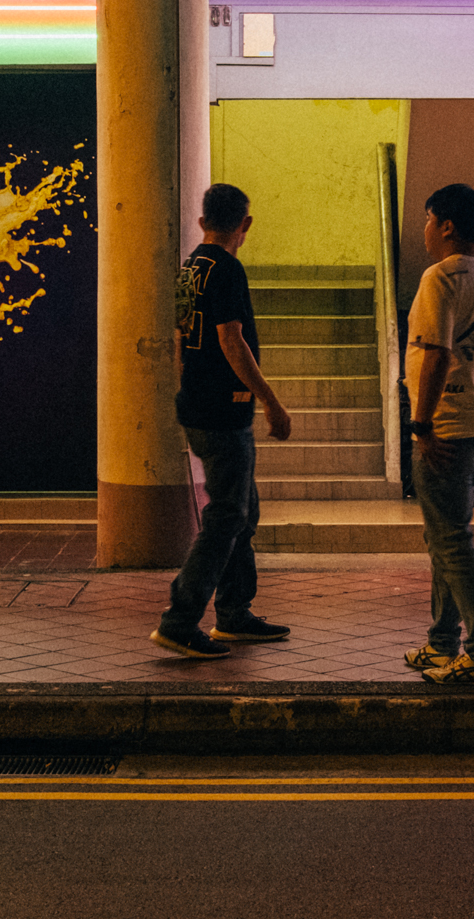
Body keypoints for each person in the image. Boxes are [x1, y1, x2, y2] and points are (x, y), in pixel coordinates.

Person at [150, 183, 293, 659]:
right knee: (227, 517)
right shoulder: (227, 268)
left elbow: (179, 340)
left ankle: (234, 614)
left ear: (201, 221)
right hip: (223, 412)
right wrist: (271, 401)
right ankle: (180, 620)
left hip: (196, 405)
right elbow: (231, 340)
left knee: (242, 513)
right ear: (245, 225)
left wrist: (186, 389)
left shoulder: (190, 268)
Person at [403, 182, 474, 685]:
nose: (423, 229)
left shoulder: (441, 277)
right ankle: (441, 643)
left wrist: (421, 424)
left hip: (446, 424)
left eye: (428, 218)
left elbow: (436, 354)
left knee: (452, 541)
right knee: (443, 538)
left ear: (446, 225)